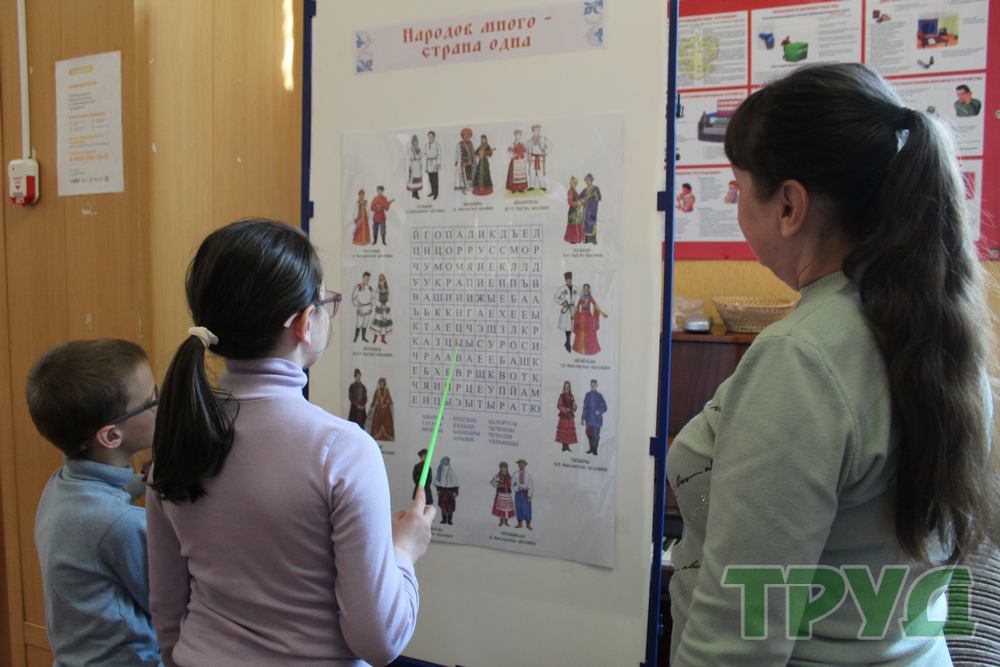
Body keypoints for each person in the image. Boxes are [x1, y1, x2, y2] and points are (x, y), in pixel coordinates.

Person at [668, 64, 999, 665]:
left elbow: (737, 639)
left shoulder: (801, 358)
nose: (736, 205)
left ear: (789, 205)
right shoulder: (942, 330)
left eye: (739, 188)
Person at [146, 220, 434, 666]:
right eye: (325, 302)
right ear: (304, 323)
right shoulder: (342, 450)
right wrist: (404, 551)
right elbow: (379, 641)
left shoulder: (179, 436)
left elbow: (166, 610)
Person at [28, 339, 161, 667]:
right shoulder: (121, 525)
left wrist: (141, 480)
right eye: (152, 400)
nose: (163, 405)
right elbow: (166, 602)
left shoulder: (61, 486)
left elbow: (103, 500)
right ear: (112, 436)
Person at [571, 283, 607, 355]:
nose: (585, 289)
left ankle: (590, 349)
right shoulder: (581, 298)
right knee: (580, 333)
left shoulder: (590, 298)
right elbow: (577, 307)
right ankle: (580, 349)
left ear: (589, 289)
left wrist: (602, 313)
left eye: (587, 288)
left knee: (590, 332)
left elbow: (595, 306)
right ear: (583, 289)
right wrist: (573, 314)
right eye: (584, 288)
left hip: (588, 317)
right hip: (581, 317)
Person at [581, 379, 607, 455]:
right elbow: (585, 407)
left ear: (596, 385)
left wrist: (599, 411)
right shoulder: (587, 395)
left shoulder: (599, 396)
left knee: (596, 435)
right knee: (589, 434)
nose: (592, 385)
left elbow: (605, 407)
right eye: (591, 384)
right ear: (590, 385)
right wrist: (582, 418)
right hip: (589, 419)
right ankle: (591, 448)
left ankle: (595, 450)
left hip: (597, 420)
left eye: (594, 384)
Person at [554, 272, 577, 353]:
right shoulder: (562, 288)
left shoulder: (574, 287)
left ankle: (567, 343)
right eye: (567, 279)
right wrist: (562, 303)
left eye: (570, 279)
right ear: (565, 280)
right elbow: (555, 297)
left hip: (572, 309)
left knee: (570, 328)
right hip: (566, 310)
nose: (569, 281)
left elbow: (581, 293)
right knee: (568, 328)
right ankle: (568, 344)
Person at [526, 123, 552, 190]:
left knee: (540, 172)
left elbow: (550, 146)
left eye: (538, 130)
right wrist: (528, 157)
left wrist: (545, 152)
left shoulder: (543, 139)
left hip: (540, 158)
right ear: (533, 131)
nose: (536, 131)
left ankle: (542, 186)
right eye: (535, 130)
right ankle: (532, 186)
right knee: (532, 172)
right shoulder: (530, 141)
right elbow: (528, 150)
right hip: (532, 158)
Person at [434, 456, 459, 525]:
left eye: (447, 461)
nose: (446, 462)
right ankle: (444, 520)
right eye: (445, 461)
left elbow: (455, 483)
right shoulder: (440, 471)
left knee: (450, 507)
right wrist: (438, 490)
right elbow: (438, 482)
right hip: (443, 492)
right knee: (443, 507)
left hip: (450, 492)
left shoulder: (451, 471)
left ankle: (450, 520)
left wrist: (455, 492)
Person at [368, 377, 394, 441]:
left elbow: (390, 401)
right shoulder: (377, 391)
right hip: (378, 409)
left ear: (384, 383)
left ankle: (387, 435)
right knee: (376, 421)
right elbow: (374, 400)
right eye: (380, 383)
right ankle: (376, 435)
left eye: (382, 383)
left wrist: (388, 402)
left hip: (385, 409)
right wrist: (371, 407)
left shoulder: (387, 391)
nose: (381, 384)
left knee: (387, 422)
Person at [490, 461, 515, 527]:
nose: (504, 469)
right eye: (502, 468)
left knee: (507, 508)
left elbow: (513, 483)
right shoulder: (498, 476)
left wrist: (512, 486)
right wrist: (499, 485)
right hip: (501, 494)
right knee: (501, 508)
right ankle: (501, 521)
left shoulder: (509, 476)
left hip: (507, 495)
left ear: (507, 468)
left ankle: (506, 522)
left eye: (505, 468)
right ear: (500, 468)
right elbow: (492, 482)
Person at [555, 381, 578, 452]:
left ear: (569, 387)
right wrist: (565, 409)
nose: (567, 387)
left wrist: (574, 405)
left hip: (570, 416)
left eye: (568, 386)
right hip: (564, 416)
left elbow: (574, 407)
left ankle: (567, 446)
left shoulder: (571, 396)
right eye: (566, 386)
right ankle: (564, 446)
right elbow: (559, 405)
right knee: (564, 431)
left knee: (569, 431)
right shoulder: (562, 396)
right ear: (564, 387)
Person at [351, 271, 374, 342]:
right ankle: (355, 337)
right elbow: (353, 298)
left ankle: (363, 337)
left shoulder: (370, 288)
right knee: (359, 323)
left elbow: (373, 298)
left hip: (368, 308)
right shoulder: (358, 286)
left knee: (365, 324)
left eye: (368, 279)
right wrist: (357, 305)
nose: (367, 280)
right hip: (361, 308)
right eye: (366, 278)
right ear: (363, 277)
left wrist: (371, 307)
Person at [369, 273, 392, 343]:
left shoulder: (387, 290)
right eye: (379, 280)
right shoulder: (378, 290)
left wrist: (386, 305)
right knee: (378, 324)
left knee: (384, 324)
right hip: (379, 309)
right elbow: (375, 299)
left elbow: (389, 299)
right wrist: (380, 304)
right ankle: (375, 338)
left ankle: (383, 339)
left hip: (385, 310)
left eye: (382, 280)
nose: (381, 282)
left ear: (384, 280)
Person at [512, 459, 534, 530]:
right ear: (518, 465)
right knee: (519, 508)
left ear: (525, 465)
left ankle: (528, 524)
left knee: (527, 509)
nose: (521, 465)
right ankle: (519, 523)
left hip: (525, 494)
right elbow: (513, 484)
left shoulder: (528, 476)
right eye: (520, 464)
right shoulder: (515, 474)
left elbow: (530, 486)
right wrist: (517, 488)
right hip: (518, 494)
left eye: (523, 464)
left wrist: (529, 496)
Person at [579, 173, 602, 243]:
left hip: (592, 209)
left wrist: (595, 196)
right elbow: (580, 197)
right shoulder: (585, 190)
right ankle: (586, 239)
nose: (587, 182)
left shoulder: (595, 188)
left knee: (591, 223)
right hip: (585, 208)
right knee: (584, 222)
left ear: (591, 180)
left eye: (588, 180)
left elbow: (599, 198)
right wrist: (582, 200)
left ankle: (592, 240)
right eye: (586, 180)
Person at [564, 176, 586, 243]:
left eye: (576, 183)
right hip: (573, 212)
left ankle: (578, 239)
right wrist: (578, 203)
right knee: (573, 226)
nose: (575, 184)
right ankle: (572, 239)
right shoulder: (570, 191)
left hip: (577, 212)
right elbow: (569, 202)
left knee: (578, 224)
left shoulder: (575, 191)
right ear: (570, 183)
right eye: (573, 183)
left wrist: (582, 201)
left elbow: (578, 199)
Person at [455, 127, 475, 194]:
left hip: (470, 163)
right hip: (463, 163)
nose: (467, 136)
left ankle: (468, 187)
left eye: (468, 135)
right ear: (463, 136)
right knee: (463, 176)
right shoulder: (460, 144)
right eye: (465, 135)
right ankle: (463, 189)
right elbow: (457, 153)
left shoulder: (471, 143)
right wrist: (456, 160)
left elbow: (473, 153)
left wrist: (473, 161)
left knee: (469, 176)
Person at [425, 131, 440, 199]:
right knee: (430, 180)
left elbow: (439, 155)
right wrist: (426, 166)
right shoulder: (427, 145)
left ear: (434, 136)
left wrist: (438, 164)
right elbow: (425, 154)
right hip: (429, 163)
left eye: (431, 136)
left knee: (435, 180)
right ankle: (432, 192)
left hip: (434, 162)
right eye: (429, 136)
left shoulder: (437, 145)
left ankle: (436, 193)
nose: (430, 137)